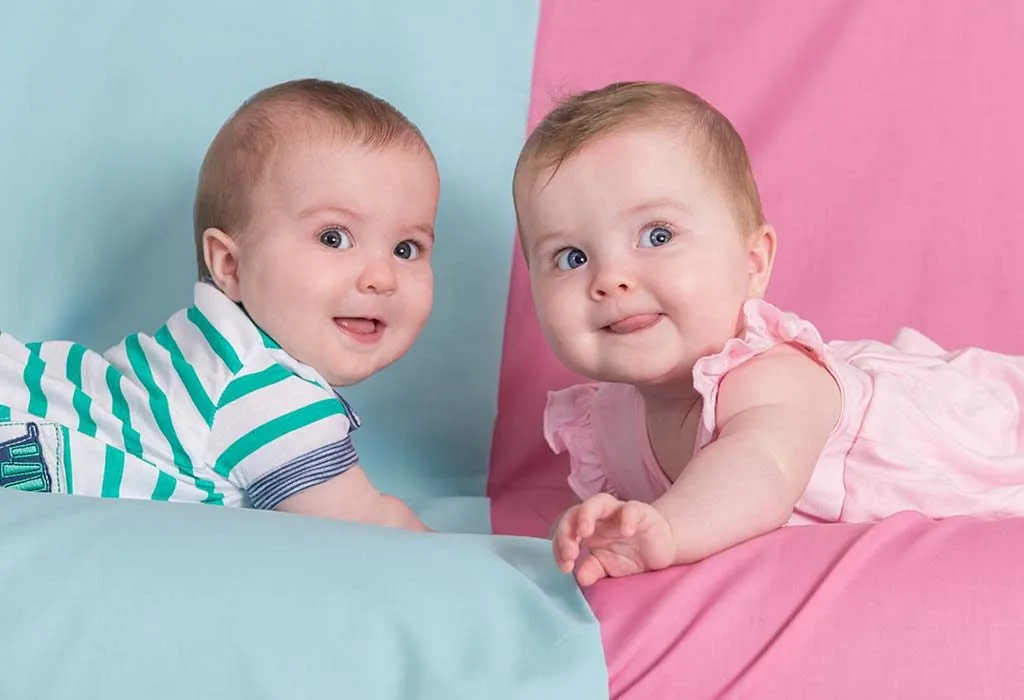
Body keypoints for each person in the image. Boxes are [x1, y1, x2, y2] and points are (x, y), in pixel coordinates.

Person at [512, 81, 1024, 585]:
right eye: (571, 257)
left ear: (753, 262)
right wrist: (603, 531)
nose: (610, 279)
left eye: (657, 236)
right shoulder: (606, 422)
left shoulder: (769, 380)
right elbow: (635, 519)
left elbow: (761, 470)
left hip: (982, 432)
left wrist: (670, 528)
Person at [0, 78, 436, 531]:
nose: (382, 278)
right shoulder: (266, 392)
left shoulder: (214, 352)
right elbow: (370, 527)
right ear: (230, 265)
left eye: (406, 248)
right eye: (333, 238)